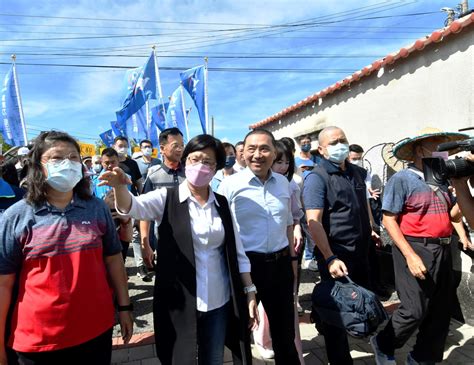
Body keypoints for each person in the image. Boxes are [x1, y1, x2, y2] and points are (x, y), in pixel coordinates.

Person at [100, 134, 258, 365]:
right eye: (195, 159)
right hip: (179, 301)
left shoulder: (222, 203)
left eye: (208, 162)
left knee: (212, 358)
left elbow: (238, 250)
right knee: (179, 358)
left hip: (218, 299)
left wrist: (250, 290)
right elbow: (131, 207)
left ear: (215, 168)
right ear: (185, 161)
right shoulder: (167, 198)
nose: (201, 166)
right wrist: (120, 187)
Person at [0, 131, 133, 365]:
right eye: (57, 158)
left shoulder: (96, 209)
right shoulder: (16, 216)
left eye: (73, 158)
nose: (67, 164)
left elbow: (114, 259)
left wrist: (124, 307)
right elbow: (4, 284)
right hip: (38, 340)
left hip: (96, 330)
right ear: (38, 166)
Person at [370, 127, 470, 365]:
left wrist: (463, 191)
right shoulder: (402, 179)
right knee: (414, 309)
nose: (442, 153)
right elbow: (388, 220)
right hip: (415, 247)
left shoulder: (442, 177)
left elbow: (452, 214)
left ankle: (422, 358)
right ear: (419, 149)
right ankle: (383, 343)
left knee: (440, 311)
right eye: (437, 147)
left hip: (445, 248)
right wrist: (411, 256)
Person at [218, 129, 300, 365]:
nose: (257, 154)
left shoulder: (284, 184)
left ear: (274, 153)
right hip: (246, 268)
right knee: (243, 330)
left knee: (285, 331)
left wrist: (292, 262)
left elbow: (287, 224)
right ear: (243, 153)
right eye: (251, 149)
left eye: (264, 148)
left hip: (280, 265)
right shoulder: (230, 185)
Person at [303, 126, 373, 365]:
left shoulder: (356, 173)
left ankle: (324, 317)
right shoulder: (317, 177)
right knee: (337, 315)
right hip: (336, 256)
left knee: (359, 305)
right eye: (333, 142)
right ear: (322, 150)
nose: (340, 145)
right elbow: (314, 222)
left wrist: (372, 228)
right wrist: (330, 257)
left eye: (343, 140)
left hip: (362, 252)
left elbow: (362, 205)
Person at [252, 140, 305, 361]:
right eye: (279, 161)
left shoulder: (288, 184)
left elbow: (294, 215)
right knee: (256, 308)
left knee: (285, 312)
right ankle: (262, 340)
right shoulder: (235, 184)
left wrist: (297, 230)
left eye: (286, 161)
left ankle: (292, 351)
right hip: (251, 260)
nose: (282, 166)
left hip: (283, 254)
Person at [139, 128, 186, 272]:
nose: (180, 149)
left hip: (192, 239)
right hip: (164, 241)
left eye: (182, 145)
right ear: (162, 148)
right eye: (175, 145)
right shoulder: (154, 177)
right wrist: (145, 243)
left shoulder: (190, 174)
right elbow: (144, 212)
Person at [93, 148, 133, 262]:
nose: (110, 165)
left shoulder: (127, 178)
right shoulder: (94, 180)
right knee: (105, 255)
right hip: (102, 220)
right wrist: (104, 205)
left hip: (123, 220)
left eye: (113, 162)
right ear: (101, 162)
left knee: (121, 253)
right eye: (106, 162)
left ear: (118, 162)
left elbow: (131, 199)